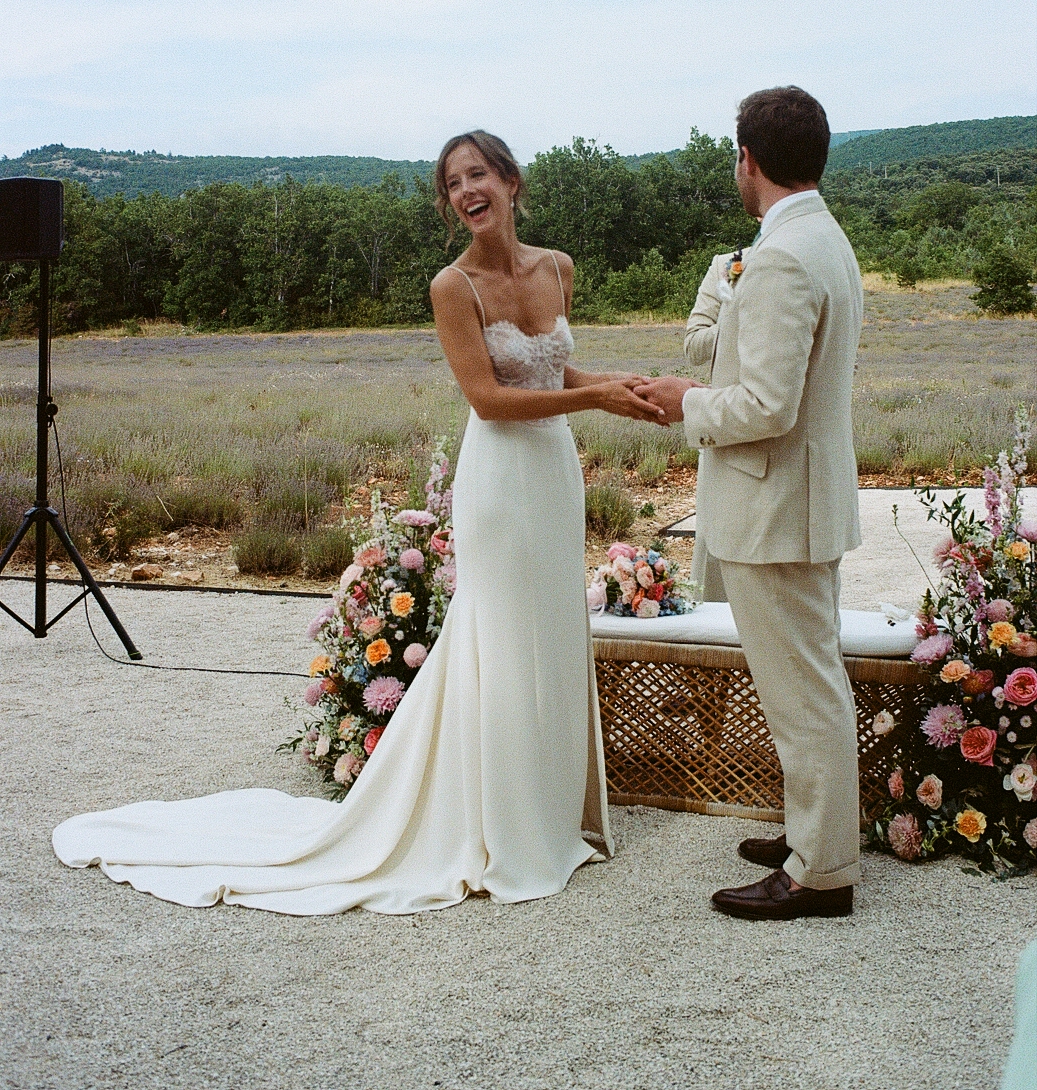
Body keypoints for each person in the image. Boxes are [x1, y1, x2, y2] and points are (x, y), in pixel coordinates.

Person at [52, 130, 665, 915]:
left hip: (552, 474)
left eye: (477, 175)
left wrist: (622, 385)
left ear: (511, 181)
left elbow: (551, 368)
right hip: (501, 475)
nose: (465, 191)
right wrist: (594, 399)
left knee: (550, 629)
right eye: (451, 183)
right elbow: (489, 397)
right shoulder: (454, 285)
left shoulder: (557, 267)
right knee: (502, 635)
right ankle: (499, 826)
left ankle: (547, 816)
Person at [636, 86, 864, 920]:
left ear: (749, 160)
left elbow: (766, 404)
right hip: (800, 502)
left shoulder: (778, 257)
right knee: (810, 684)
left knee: (803, 695)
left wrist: (681, 401)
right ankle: (817, 833)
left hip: (778, 512)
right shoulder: (823, 238)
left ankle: (820, 873)